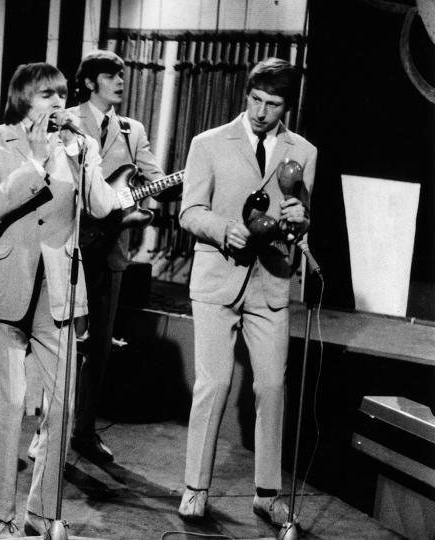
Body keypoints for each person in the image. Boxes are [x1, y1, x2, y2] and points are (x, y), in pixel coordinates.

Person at [0, 62, 130, 539]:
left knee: (60, 409)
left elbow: (100, 206)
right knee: (9, 407)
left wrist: (86, 158)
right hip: (4, 292)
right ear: (21, 100)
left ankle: (42, 510)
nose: (57, 104)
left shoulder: (79, 145)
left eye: (60, 95)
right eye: (44, 96)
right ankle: (0, 514)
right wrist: (35, 161)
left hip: (60, 293)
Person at [176, 57, 316, 525]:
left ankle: (267, 493)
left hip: (271, 283)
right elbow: (189, 211)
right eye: (255, 100)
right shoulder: (209, 143)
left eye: (272, 104)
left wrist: (300, 223)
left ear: (286, 107)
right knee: (213, 383)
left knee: (272, 386)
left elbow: (301, 221)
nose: (260, 111)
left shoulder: (304, 151)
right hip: (217, 279)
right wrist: (221, 229)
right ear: (246, 96)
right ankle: (196, 487)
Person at [67, 49, 166, 462]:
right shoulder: (67, 120)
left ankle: (84, 432)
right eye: (112, 74)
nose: (121, 81)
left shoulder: (132, 129)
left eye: (123, 74)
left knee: (101, 346)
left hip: (112, 248)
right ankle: (49, 429)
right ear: (91, 82)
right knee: (65, 342)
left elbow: (154, 178)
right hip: (71, 244)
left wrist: (148, 207)